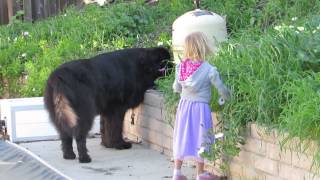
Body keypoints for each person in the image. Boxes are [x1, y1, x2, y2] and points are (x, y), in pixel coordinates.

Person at [172, 32, 230, 180]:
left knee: (182, 135)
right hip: (201, 108)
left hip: (184, 107)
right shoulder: (209, 69)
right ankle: (200, 173)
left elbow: (176, 88)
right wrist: (227, 97)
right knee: (201, 138)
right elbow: (221, 88)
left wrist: (184, 92)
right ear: (204, 47)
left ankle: (177, 172)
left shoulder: (181, 67)